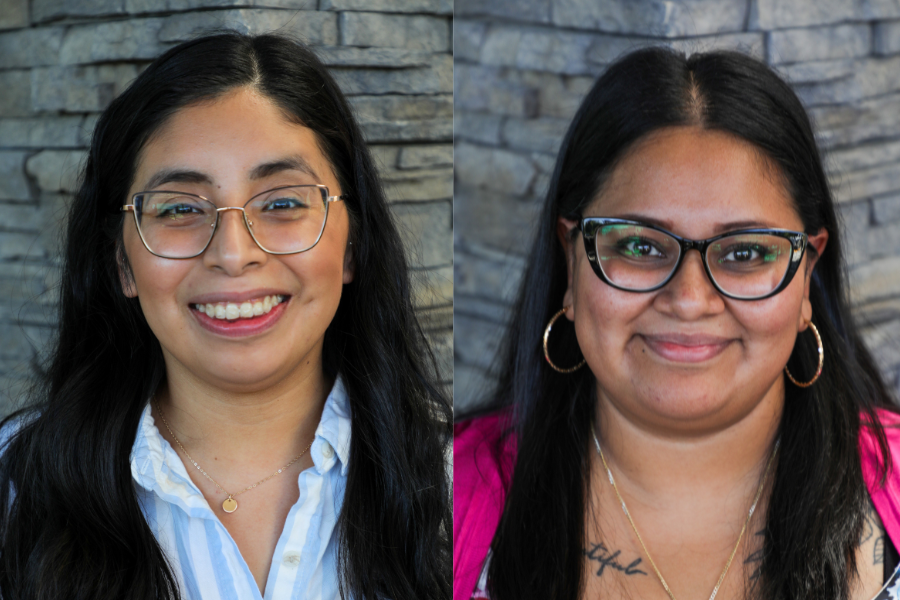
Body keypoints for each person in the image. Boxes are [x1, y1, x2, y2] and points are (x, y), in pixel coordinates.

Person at [0, 32, 451, 600]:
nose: (234, 254)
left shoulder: (462, 488)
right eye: (181, 209)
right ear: (123, 263)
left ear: (353, 245)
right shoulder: (16, 489)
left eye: (283, 202)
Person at [453, 47, 900, 600]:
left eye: (744, 254)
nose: (689, 300)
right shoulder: (438, 492)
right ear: (571, 262)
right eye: (640, 245)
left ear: (807, 275)